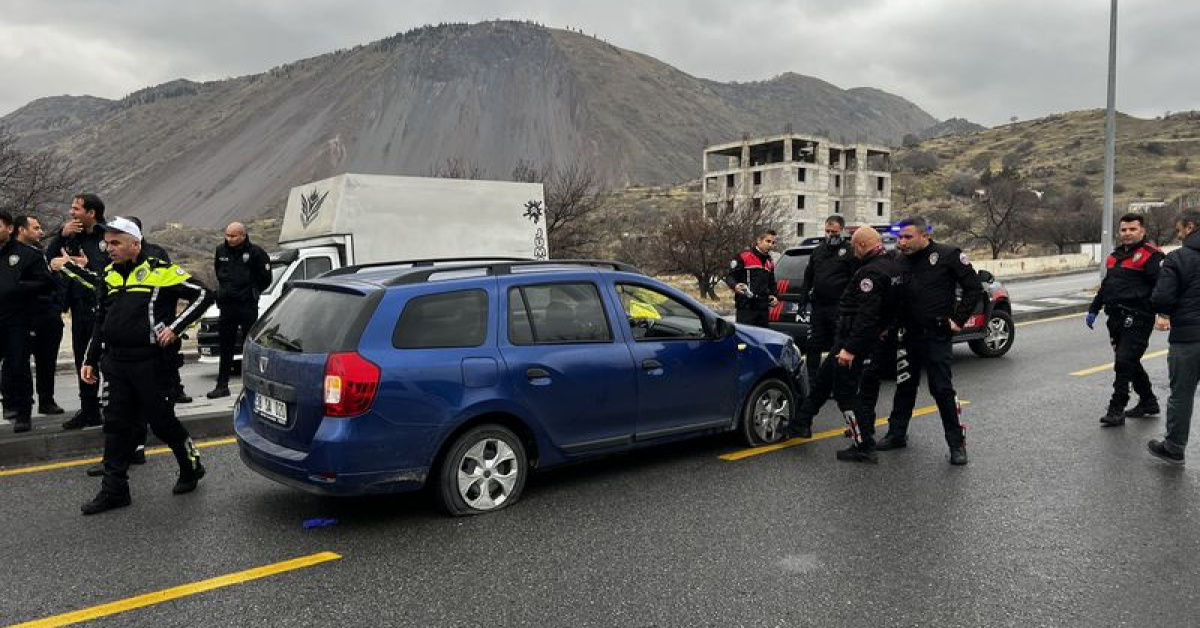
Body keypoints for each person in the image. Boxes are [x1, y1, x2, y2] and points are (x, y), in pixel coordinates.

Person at [76, 217, 213, 515]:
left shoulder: (159, 271)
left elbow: (203, 294)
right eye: (106, 243)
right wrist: (90, 360)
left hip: (151, 363)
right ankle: (115, 490)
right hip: (116, 363)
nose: (109, 248)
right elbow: (100, 321)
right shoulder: (109, 275)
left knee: (161, 422)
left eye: (116, 243)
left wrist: (175, 327)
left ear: (135, 244)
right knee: (115, 425)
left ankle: (191, 465)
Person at [788, 228, 902, 461]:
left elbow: (867, 315)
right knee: (823, 380)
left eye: (854, 248)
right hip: (857, 339)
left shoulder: (870, 273)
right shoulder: (892, 267)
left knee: (845, 393)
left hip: (854, 342)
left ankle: (864, 444)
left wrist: (850, 349)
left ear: (860, 245)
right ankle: (801, 424)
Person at [876, 216, 982, 466]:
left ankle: (956, 444)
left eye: (907, 237)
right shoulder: (899, 261)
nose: (902, 242)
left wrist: (957, 320)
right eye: (900, 237)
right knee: (904, 386)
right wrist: (886, 326)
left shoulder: (947, 255)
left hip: (936, 334)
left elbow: (973, 287)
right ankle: (896, 434)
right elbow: (893, 297)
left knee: (942, 390)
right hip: (907, 334)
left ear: (924, 235)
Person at [1085, 213, 1164, 426]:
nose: (1127, 233)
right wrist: (1094, 308)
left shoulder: (1151, 256)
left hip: (1138, 318)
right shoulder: (1114, 256)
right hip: (1116, 318)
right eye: (1124, 230)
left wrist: (1162, 314)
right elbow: (1107, 286)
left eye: (1132, 229)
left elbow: (1162, 287)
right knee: (1129, 361)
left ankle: (1116, 408)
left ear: (1142, 231)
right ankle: (1149, 402)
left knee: (1123, 362)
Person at [45, 193, 109, 429]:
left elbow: (111, 270)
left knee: (107, 362)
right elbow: (50, 260)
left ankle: (115, 409)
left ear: (91, 213)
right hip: (79, 308)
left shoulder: (107, 237)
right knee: (83, 360)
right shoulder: (71, 236)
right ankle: (89, 410)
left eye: (76, 209)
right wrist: (61, 236)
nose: (72, 213)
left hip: (103, 309)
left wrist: (86, 265)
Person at [1148, 208, 1200, 464]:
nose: (1179, 236)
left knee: (1182, 393)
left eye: (1180, 231)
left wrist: (1163, 311)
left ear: (1190, 227)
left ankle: (1174, 446)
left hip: (1188, 338)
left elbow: (1162, 297)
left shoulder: (1178, 258)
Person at [0, 210, 56, 433]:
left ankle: (23, 413)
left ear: (9, 228)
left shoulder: (27, 255)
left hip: (17, 321)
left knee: (17, 366)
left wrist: (18, 288)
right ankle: (9, 404)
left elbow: (47, 283)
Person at [129, 216, 191, 404]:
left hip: (162, 316)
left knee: (168, 357)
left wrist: (174, 322)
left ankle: (175, 389)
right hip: (137, 319)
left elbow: (172, 285)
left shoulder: (156, 253)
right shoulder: (121, 256)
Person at [207, 221, 271, 399]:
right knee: (225, 345)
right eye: (227, 235)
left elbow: (266, 278)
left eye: (233, 236)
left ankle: (254, 385)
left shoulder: (256, 253)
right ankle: (222, 385)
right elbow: (219, 272)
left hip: (246, 305)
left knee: (250, 345)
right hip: (227, 305)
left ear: (243, 235)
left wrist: (252, 292)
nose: (230, 239)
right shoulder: (221, 251)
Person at [14, 215, 65, 416]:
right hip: (25, 317)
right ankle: (20, 405)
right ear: (21, 230)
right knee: (18, 363)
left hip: (48, 316)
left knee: (47, 361)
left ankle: (46, 400)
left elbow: (53, 284)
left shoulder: (39, 252)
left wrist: (56, 305)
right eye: (35, 228)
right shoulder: (13, 257)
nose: (40, 231)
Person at [795, 216, 856, 381]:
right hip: (819, 307)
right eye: (827, 231)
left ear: (842, 230)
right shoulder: (818, 250)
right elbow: (808, 277)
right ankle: (813, 381)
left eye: (834, 232)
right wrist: (802, 300)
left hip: (839, 307)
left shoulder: (849, 251)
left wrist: (850, 304)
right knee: (813, 344)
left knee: (837, 345)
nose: (830, 235)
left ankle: (835, 380)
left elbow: (854, 279)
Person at [724, 228, 779, 328]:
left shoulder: (769, 261)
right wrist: (735, 286)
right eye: (768, 241)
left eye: (773, 242)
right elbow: (730, 276)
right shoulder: (744, 256)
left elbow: (772, 283)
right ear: (759, 241)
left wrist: (774, 296)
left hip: (763, 308)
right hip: (746, 307)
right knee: (745, 340)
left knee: (761, 340)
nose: (771, 245)